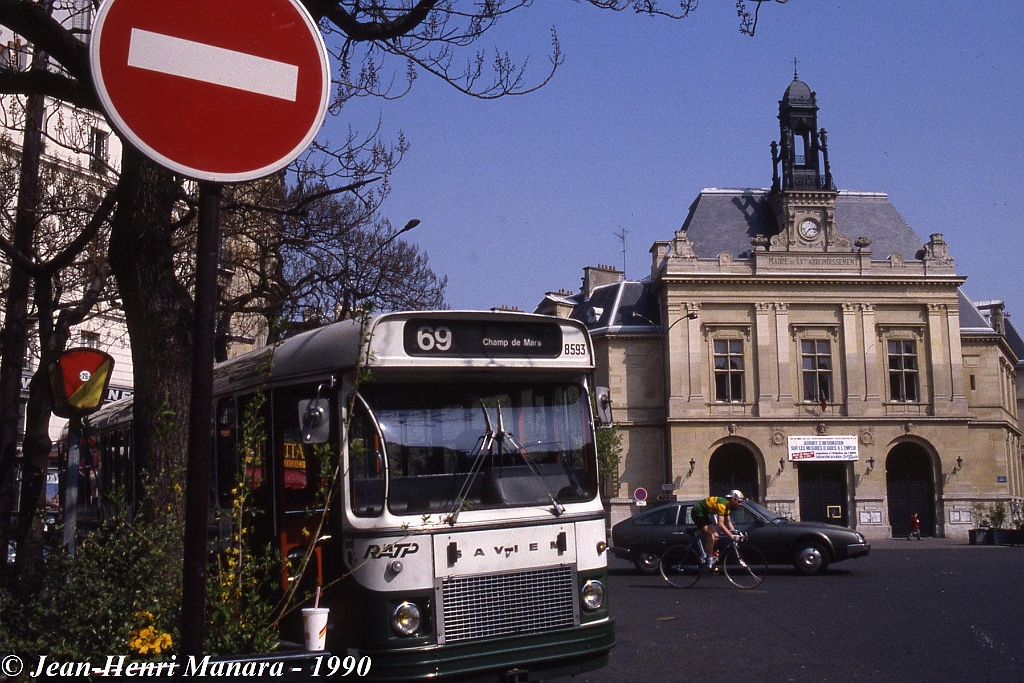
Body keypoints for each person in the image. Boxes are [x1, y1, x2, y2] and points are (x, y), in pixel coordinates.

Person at [691, 490, 745, 569]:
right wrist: (731, 536)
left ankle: (706, 555)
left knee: (716, 536)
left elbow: (729, 522)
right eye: (739, 502)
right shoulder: (722, 504)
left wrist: (736, 533)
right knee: (711, 537)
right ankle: (709, 561)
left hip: (704, 514)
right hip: (697, 512)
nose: (739, 504)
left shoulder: (727, 506)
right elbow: (720, 524)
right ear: (733, 499)